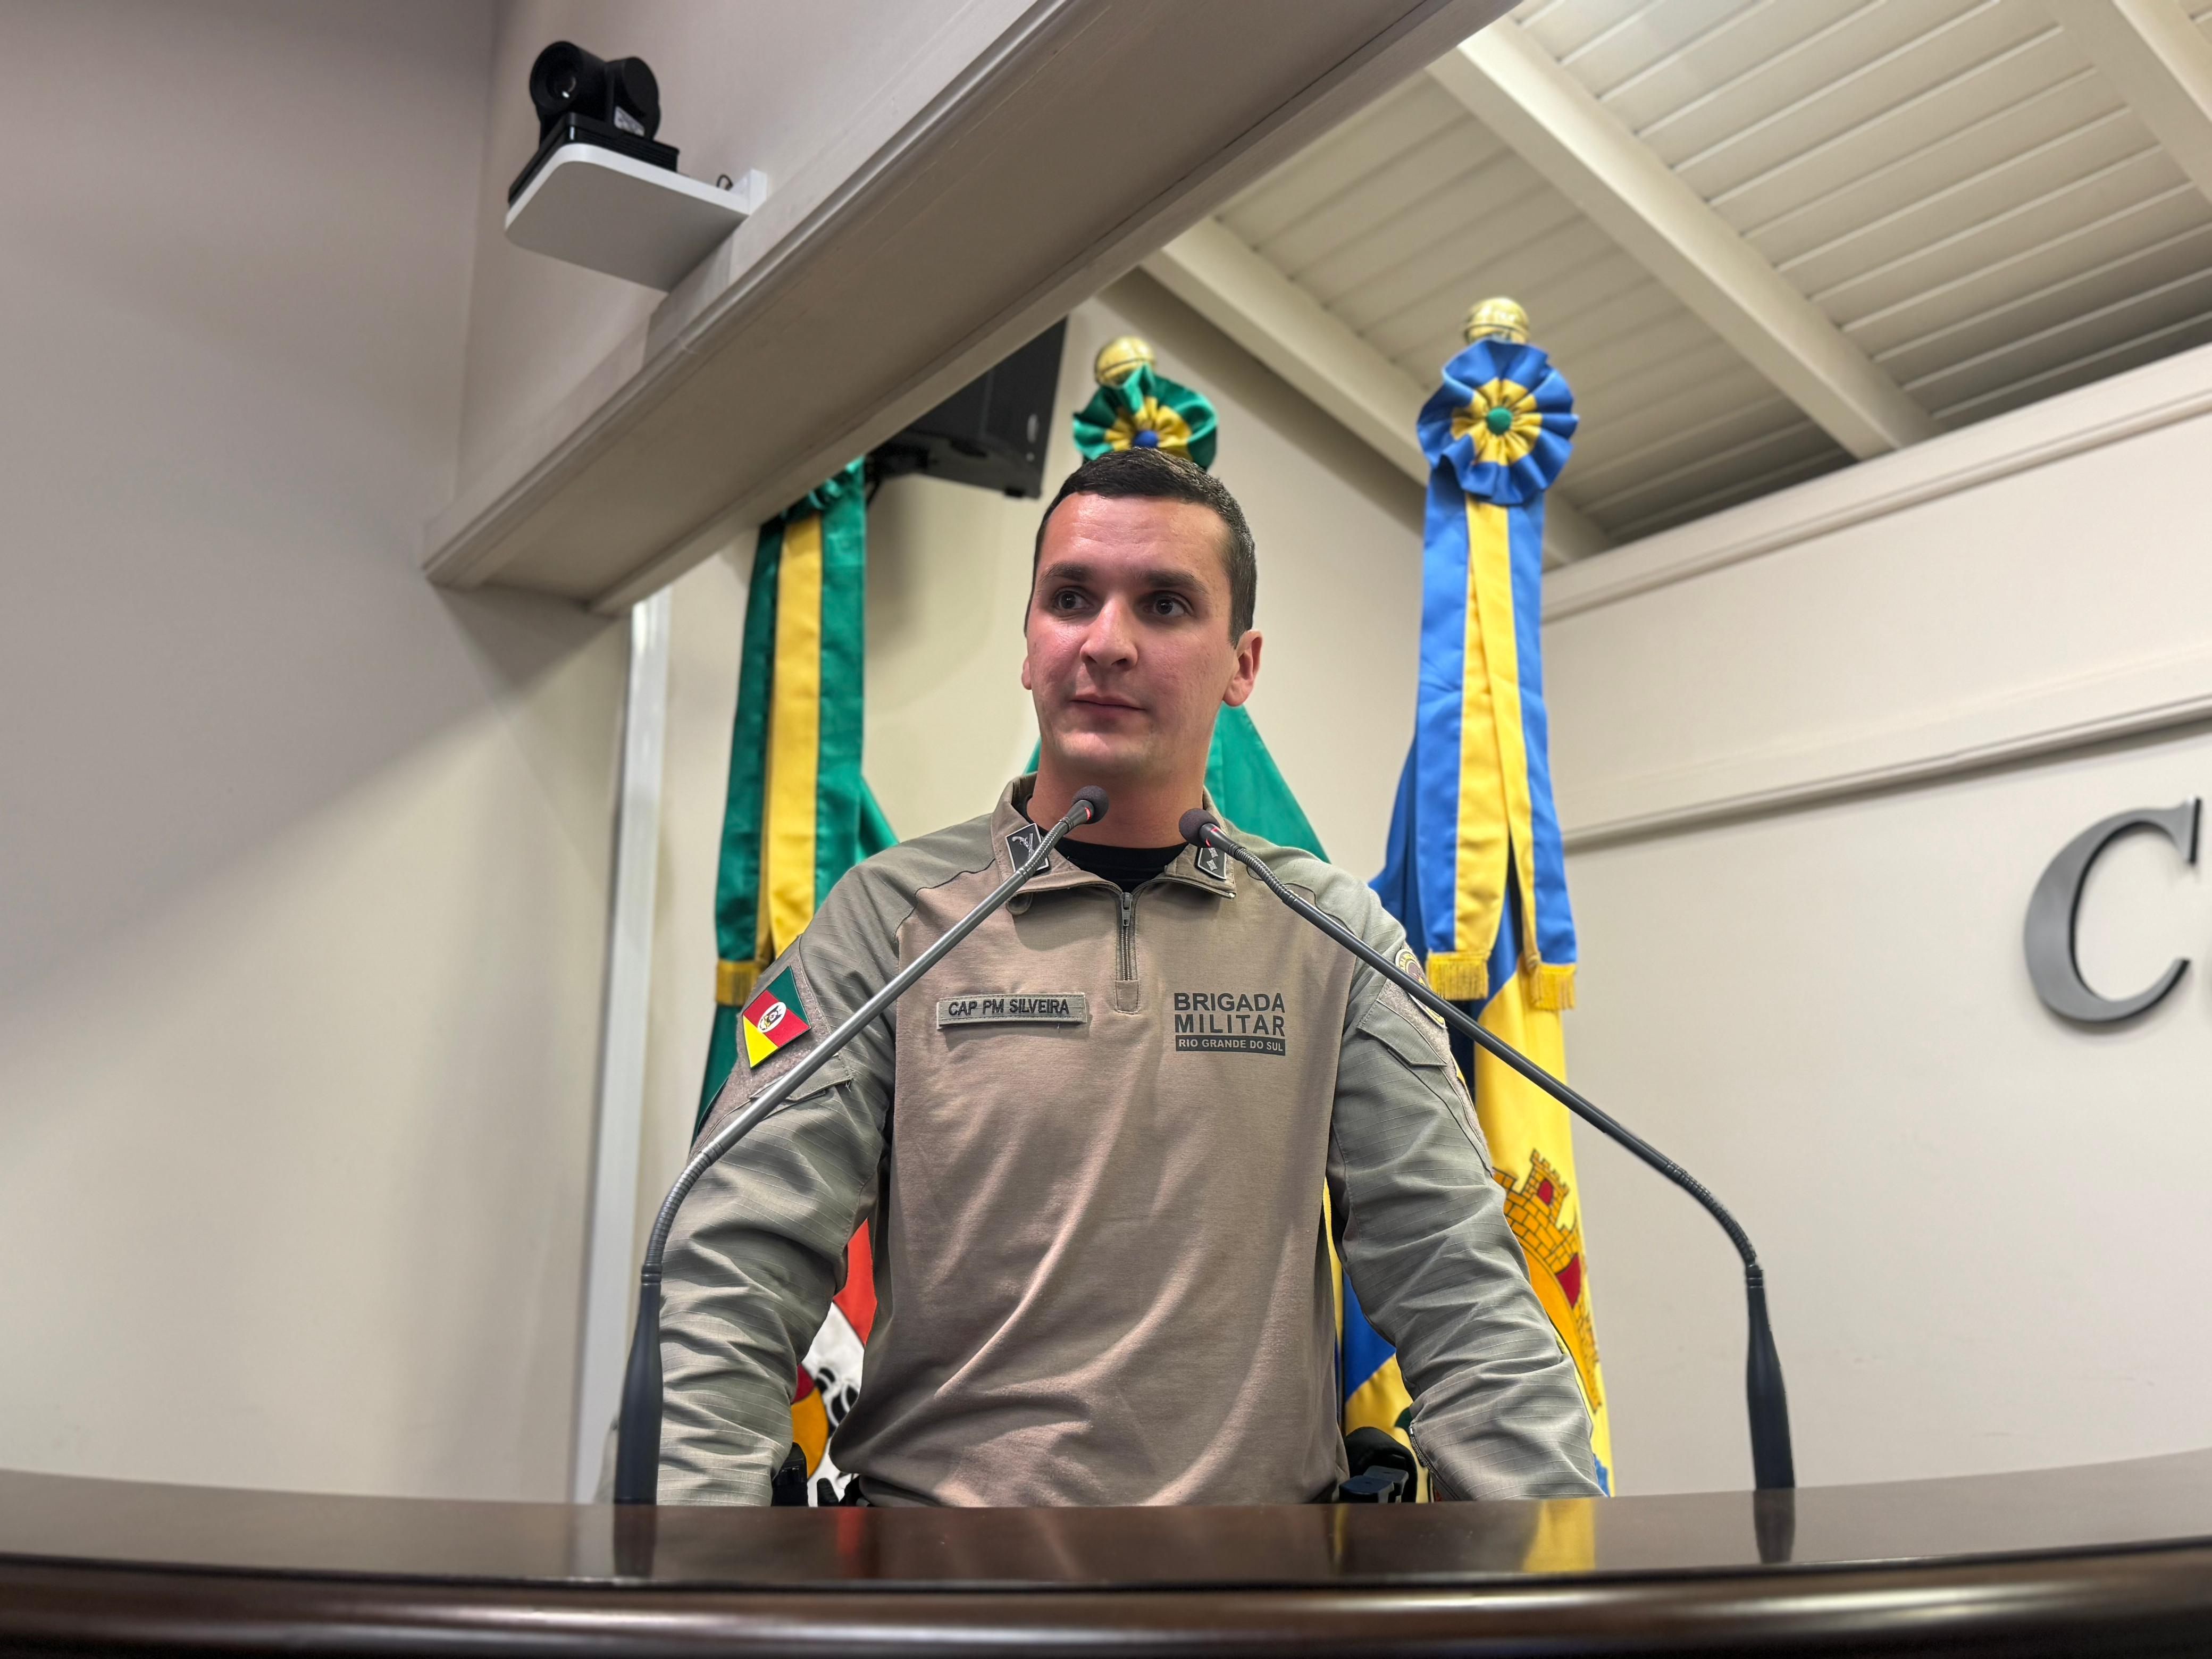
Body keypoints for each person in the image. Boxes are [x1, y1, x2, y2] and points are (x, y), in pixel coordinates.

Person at [659, 447, 1602, 1506]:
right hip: (940, 1576)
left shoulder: (1332, 936)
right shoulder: (886, 921)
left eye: (1163, 605)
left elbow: (1459, 1286)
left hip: (1259, 1578)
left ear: (1242, 665)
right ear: (1030, 644)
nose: (1105, 642)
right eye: (1071, 599)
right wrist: (700, 1556)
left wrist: (1558, 1561)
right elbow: (737, 1261)